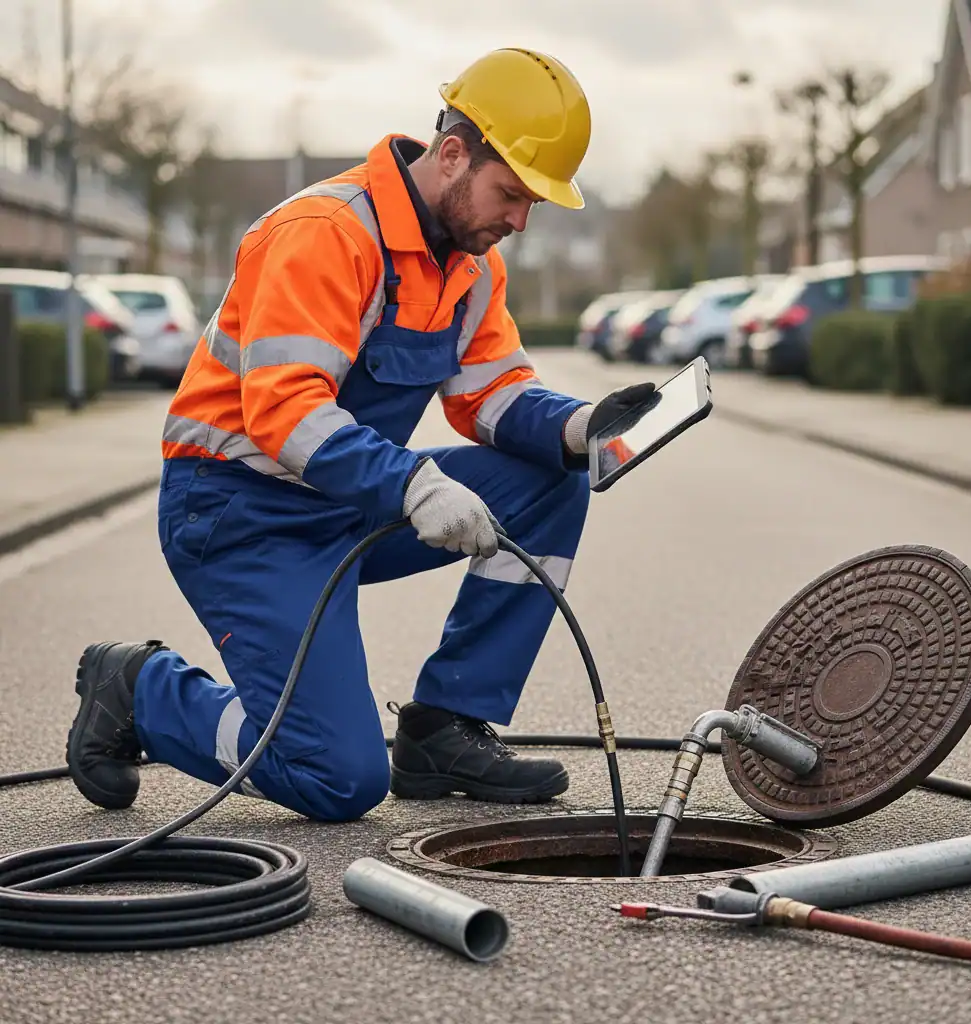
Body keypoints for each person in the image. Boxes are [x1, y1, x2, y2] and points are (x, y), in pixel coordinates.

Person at [65, 48, 655, 821]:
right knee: (337, 778)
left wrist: (580, 427)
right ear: (453, 155)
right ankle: (141, 693)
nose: (519, 221)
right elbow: (286, 410)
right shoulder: (325, 233)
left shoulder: (471, 265)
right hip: (238, 514)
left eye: (532, 204)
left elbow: (489, 394)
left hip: (346, 501)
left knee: (551, 483)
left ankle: (445, 727)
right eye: (511, 194)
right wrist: (414, 485)